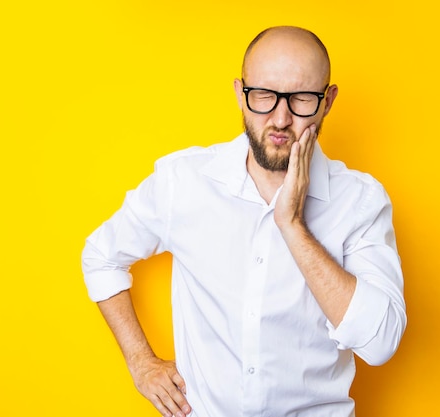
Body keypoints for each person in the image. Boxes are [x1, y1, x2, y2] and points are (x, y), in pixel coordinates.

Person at [82, 26, 406, 417]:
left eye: (302, 97)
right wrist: (141, 362)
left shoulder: (360, 201)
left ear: (328, 101)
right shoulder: (183, 181)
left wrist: (293, 227)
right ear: (240, 93)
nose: (281, 119)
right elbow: (100, 256)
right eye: (264, 96)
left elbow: (381, 341)